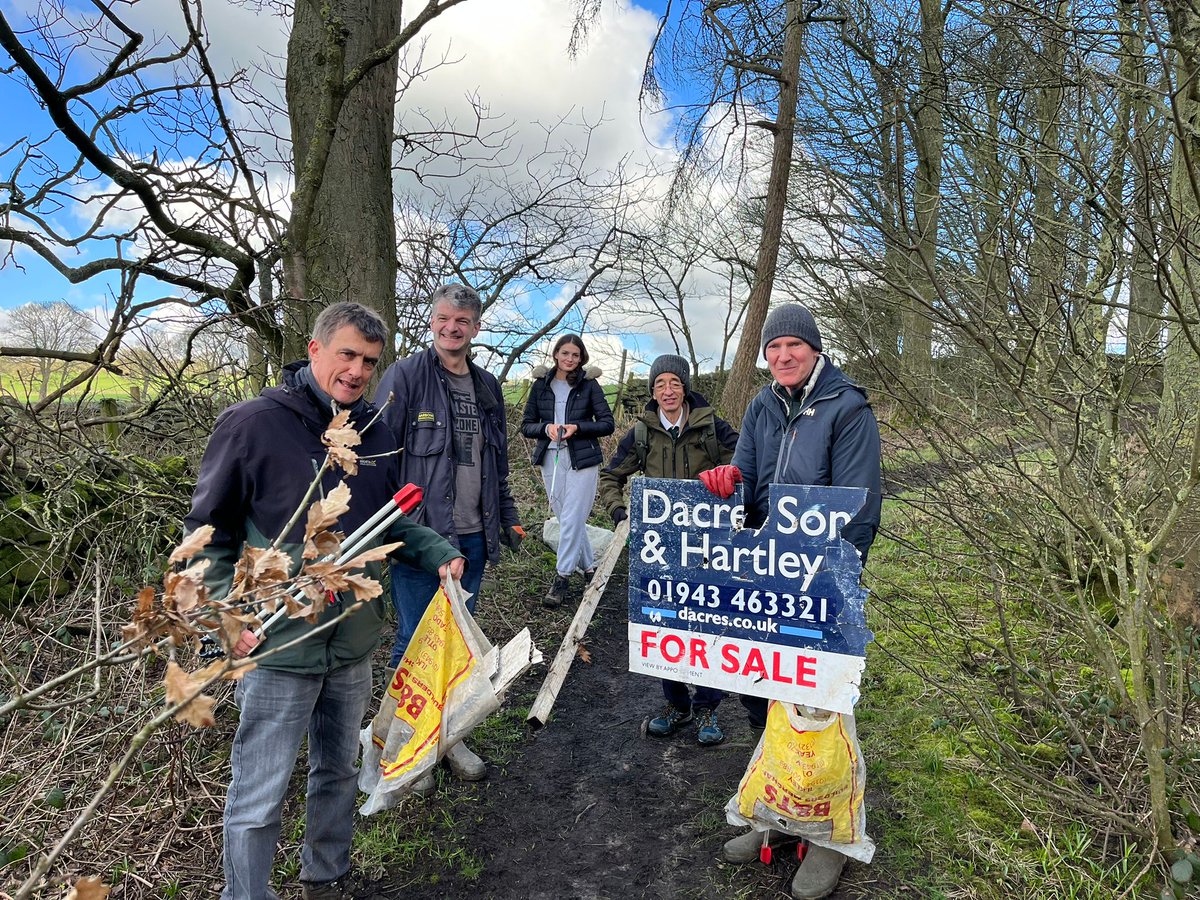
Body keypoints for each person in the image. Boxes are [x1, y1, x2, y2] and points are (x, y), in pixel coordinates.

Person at [185, 302, 466, 900]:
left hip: (353, 643)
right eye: (347, 354)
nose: (358, 370)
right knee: (259, 797)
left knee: (337, 773)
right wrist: (224, 617)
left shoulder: (377, 433)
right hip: (280, 645)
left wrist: (437, 548)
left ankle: (326, 879)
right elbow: (207, 535)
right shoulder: (253, 423)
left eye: (369, 360)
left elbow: (387, 527)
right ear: (314, 350)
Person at [699, 304, 881, 900]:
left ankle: (832, 838)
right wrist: (728, 484)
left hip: (822, 581)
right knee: (775, 698)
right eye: (773, 348)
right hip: (767, 577)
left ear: (813, 349)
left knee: (823, 704)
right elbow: (749, 483)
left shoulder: (845, 407)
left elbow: (859, 507)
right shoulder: (762, 402)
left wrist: (824, 578)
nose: (781, 357)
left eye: (792, 348)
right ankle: (776, 819)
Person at [376, 283, 524, 785]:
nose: (451, 328)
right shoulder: (407, 377)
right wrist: (395, 533)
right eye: (443, 319)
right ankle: (406, 748)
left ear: (476, 327)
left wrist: (506, 517)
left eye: (462, 321)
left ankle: (448, 741)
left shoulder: (486, 387)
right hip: (421, 536)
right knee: (414, 641)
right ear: (432, 322)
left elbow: (496, 463)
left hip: (474, 536)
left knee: (458, 644)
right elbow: (379, 462)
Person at [599, 353, 739, 745]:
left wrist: (730, 485)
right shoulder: (641, 432)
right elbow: (611, 475)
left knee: (711, 622)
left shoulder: (712, 427)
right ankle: (676, 704)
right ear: (652, 391)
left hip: (709, 547)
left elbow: (746, 463)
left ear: (685, 387)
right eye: (660, 384)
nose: (667, 391)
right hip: (659, 550)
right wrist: (619, 512)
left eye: (674, 383)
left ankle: (709, 706)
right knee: (666, 624)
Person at [520, 333, 614, 607]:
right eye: (565, 353)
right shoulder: (541, 385)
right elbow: (527, 425)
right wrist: (546, 429)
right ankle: (589, 569)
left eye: (575, 355)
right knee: (566, 518)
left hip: (583, 460)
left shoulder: (590, 385)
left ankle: (561, 577)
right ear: (556, 355)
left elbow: (606, 423)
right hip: (551, 457)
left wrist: (578, 428)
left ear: (581, 357)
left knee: (573, 517)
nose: (570, 359)